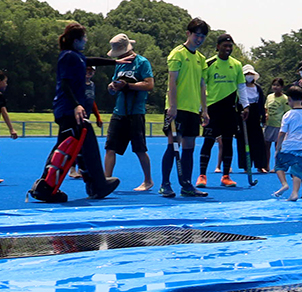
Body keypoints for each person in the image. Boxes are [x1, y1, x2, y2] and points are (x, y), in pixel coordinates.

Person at [37, 22, 122, 201]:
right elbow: (66, 83)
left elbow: (91, 60)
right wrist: (76, 104)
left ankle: (94, 184)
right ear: (76, 40)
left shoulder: (75, 56)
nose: (86, 41)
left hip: (68, 110)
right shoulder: (69, 56)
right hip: (69, 110)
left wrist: (116, 62)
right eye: (84, 38)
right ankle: (93, 184)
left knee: (80, 144)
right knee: (71, 145)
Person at [160, 17, 210, 198]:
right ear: (188, 34)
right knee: (173, 145)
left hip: (192, 110)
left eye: (203, 36)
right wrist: (172, 106)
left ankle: (187, 184)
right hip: (176, 109)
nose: (200, 39)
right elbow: (172, 82)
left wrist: (204, 110)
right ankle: (165, 184)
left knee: (189, 147)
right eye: (197, 35)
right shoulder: (177, 53)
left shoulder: (202, 59)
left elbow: (203, 86)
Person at [105, 33, 154, 192]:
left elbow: (149, 85)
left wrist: (128, 86)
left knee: (139, 148)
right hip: (119, 111)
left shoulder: (142, 63)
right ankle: (105, 181)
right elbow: (114, 82)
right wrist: (112, 87)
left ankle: (148, 180)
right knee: (110, 147)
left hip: (135, 112)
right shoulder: (119, 65)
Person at [198, 33, 248, 188]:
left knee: (227, 142)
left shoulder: (237, 65)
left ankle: (226, 176)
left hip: (230, 109)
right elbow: (201, 86)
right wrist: (202, 109)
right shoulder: (209, 63)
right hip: (212, 109)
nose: (227, 49)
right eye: (225, 46)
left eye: (230, 46)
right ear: (218, 46)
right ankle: (202, 176)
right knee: (208, 141)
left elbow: (241, 87)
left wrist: (246, 106)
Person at [273, 85, 302, 201]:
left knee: (279, 166)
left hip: (289, 146)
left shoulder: (287, 115)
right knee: (298, 171)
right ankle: (294, 193)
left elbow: (282, 133)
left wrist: (278, 148)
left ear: (289, 99)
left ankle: (284, 184)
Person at [242, 64, 267, 173]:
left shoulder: (258, 88)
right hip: (244, 114)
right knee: (244, 141)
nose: (249, 76)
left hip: (255, 115)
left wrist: (263, 118)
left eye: (251, 74)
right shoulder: (241, 87)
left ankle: (260, 165)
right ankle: (246, 165)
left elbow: (261, 103)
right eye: (247, 74)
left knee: (258, 141)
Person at [263, 78, 289, 172]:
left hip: (279, 126)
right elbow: (266, 108)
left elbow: (287, 112)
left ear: (282, 87)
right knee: (266, 146)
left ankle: (277, 166)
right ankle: (266, 166)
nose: (275, 87)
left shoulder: (285, 98)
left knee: (278, 147)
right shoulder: (269, 97)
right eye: (274, 85)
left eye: (278, 85)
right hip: (269, 124)